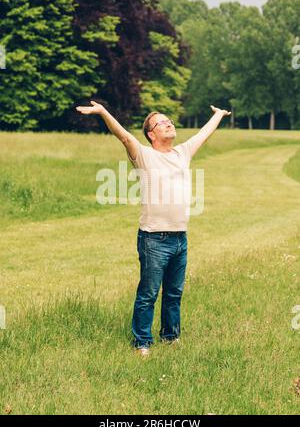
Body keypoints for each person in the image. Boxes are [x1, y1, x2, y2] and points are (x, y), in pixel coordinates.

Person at [76, 102, 231, 357]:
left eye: (169, 120)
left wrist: (217, 116)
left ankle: (171, 337)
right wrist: (104, 112)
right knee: (148, 294)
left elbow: (203, 134)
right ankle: (142, 342)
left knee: (174, 292)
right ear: (151, 134)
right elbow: (123, 136)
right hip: (154, 239)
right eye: (162, 122)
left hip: (180, 237)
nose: (169, 123)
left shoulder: (182, 153)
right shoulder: (144, 156)